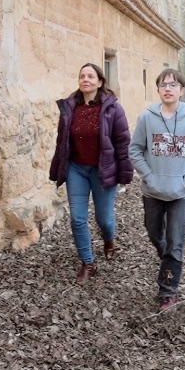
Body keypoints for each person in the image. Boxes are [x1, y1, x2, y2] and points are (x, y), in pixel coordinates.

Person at [128, 68, 185, 310]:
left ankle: (167, 290)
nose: (168, 88)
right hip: (152, 191)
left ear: (181, 91)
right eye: (163, 84)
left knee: (176, 243)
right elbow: (135, 150)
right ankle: (169, 259)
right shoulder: (147, 118)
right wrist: (149, 177)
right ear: (158, 90)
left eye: (173, 85)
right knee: (155, 235)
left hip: (181, 194)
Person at [49, 63, 134, 283]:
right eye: (82, 76)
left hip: (102, 170)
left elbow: (123, 142)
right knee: (77, 219)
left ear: (100, 81)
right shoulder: (69, 107)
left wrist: (125, 173)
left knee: (103, 219)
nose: (86, 79)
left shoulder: (113, 108)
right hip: (77, 169)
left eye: (90, 76)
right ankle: (88, 262)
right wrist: (57, 167)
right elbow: (62, 142)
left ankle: (109, 239)